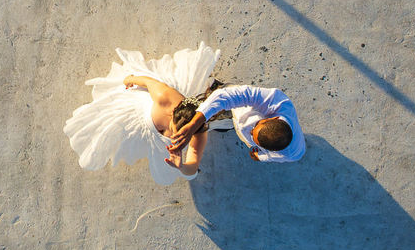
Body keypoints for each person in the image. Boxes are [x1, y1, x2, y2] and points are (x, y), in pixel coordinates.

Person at [64, 44, 220, 185]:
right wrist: (130, 79)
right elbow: (148, 82)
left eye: (180, 137)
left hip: (156, 140)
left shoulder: (199, 134)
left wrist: (181, 167)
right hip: (140, 113)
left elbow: (192, 168)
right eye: (174, 130)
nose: (173, 136)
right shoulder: (165, 96)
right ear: (173, 113)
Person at [168, 84, 305, 163]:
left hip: (239, 122)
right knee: (226, 93)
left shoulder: (292, 154)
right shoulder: (278, 101)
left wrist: (259, 157)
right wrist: (193, 126)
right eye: (255, 128)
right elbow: (227, 96)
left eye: (254, 139)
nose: (251, 131)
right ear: (273, 118)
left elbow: (271, 157)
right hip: (242, 107)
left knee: (227, 124)